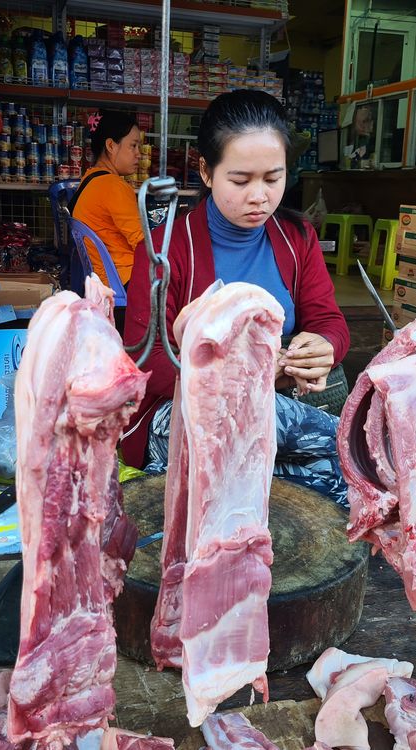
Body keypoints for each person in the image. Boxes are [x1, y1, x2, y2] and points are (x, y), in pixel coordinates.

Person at [121, 90, 351, 506]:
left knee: (332, 481)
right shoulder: (166, 250)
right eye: (241, 181)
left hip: (272, 408)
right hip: (179, 417)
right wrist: (254, 373)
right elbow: (147, 362)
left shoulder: (297, 239)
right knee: (345, 445)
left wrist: (324, 347)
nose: (259, 196)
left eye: (273, 178)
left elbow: (329, 322)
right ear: (207, 173)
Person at [71, 109, 144, 289]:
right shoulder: (112, 186)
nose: (139, 154)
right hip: (125, 280)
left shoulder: (89, 179)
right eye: (133, 146)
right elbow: (143, 244)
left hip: (103, 280)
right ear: (111, 146)